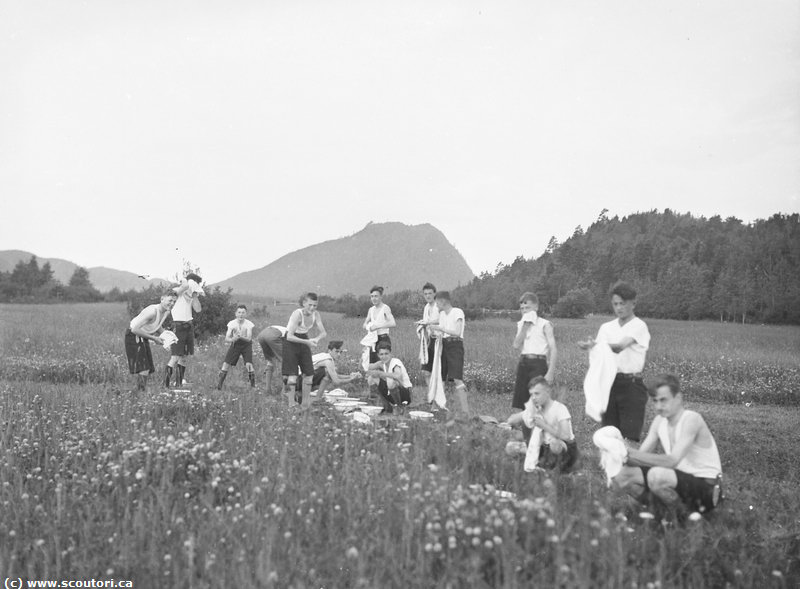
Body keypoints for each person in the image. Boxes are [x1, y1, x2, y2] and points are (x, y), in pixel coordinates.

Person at [611, 374, 723, 514]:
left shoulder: (691, 419)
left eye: (663, 400)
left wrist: (629, 454)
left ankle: (685, 519)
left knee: (657, 475)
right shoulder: (659, 421)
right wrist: (618, 450)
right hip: (679, 481)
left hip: (707, 488)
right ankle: (661, 516)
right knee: (623, 475)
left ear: (678, 398)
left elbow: (672, 461)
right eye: (655, 401)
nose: (659, 406)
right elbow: (640, 457)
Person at [578, 282, 650, 441]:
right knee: (609, 433)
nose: (619, 308)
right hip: (609, 383)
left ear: (633, 304)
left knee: (629, 436)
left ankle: (629, 457)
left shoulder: (639, 326)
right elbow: (599, 355)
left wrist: (596, 345)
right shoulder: (606, 328)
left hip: (631, 385)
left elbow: (620, 347)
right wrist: (593, 347)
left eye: (622, 304)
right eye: (615, 304)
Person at [504, 376, 578, 472]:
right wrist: (524, 414)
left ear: (547, 392)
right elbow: (512, 419)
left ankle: (558, 466)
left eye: (537, 393)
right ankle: (540, 460)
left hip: (564, 448)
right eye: (531, 394)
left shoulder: (560, 409)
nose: (534, 397)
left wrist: (544, 426)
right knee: (510, 447)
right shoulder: (535, 409)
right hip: (544, 447)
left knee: (554, 443)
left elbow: (566, 436)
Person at [512, 292, 557, 444]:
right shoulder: (521, 324)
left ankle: (543, 440)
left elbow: (553, 348)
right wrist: (525, 326)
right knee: (524, 404)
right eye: (522, 308)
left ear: (536, 307)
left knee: (537, 403)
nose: (525, 310)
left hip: (539, 363)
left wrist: (550, 371)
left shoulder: (545, 324)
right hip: (524, 363)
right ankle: (527, 441)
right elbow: (516, 344)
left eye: (528, 307)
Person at [428, 291, 471, 417]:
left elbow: (457, 332)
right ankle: (437, 407)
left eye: (437, 303)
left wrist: (440, 329)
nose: (436, 305)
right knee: (440, 375)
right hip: (444, 345)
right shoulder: (442, 315)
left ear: (443, 301)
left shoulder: (457, 312)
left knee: (457, 378)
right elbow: (442, 331)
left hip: (455, 345)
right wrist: (433, 331)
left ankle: (465, 411)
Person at [125, 292, 178, 391]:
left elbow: (157, 326)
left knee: (148, 368)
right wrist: (154, 339)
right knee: (144, 368)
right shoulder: (152, 311)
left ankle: (140, 391)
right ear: (162, 299)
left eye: (174, 301)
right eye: (170, 300)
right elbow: (135, 329)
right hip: (133, 336)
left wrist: (168, 338)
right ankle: (140, 393)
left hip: (142, 336)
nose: (172, 304)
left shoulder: (166, 312)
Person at [282, 292, 327, 408]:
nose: (312, 308)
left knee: (309, 374)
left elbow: (323, 333)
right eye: (310, 305)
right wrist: (307, 342)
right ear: (304, 303)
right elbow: (289, 336)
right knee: (292, 375)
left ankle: (305, 404)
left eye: (315, 305)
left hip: (304, 339)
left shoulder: (316, 314)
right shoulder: (297, 314)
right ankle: (291, 404)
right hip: (291, 342)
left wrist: (316, 339)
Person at [164, 273, 203, 388]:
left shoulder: (191, 295)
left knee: (184, 357)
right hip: (178, 325)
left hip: (188, 325)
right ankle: (166, 384)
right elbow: (184, 287)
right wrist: (185, 281)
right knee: (175, 356)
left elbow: (198, 309)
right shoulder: (177, 290)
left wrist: (194, 295)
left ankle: (179, 383)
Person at [366, 340, 413, 414]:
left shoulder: (395, 362)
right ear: (378, 355)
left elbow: (397, 375)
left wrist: (380, 373)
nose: (384, 357)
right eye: (381, 354)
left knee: (390, 382)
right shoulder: (381, 363)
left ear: (390, 354)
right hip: (392, 392)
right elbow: (364, 367)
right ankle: (386, 407)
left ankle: (399, 407)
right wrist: (364, 353)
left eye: (386, 354)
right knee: (372, 378)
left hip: (405, 393)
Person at [216, 305, 256, 390]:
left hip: (246, 345)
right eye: (239, 312)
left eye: (243, 313)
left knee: (249, 364)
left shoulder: (249, 324)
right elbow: (227, 338)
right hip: (235, 344)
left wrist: (240, 337)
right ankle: (219, 386)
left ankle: (253, 386)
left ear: (246, 314)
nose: (241, 315)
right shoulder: (232, 323)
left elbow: (249, 338)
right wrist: (233, 339)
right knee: (226, 363)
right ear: (236, 314)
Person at [415, 282, 440, 388]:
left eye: (430, 293)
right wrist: (421, 325)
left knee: (437, 371)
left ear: (434, 293)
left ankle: (438, 394)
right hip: (428, 340)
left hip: (440, 340)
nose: (428, 296)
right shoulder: (426, 307)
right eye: (425, 294)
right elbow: (426, 322)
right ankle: (431, 394)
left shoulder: (439, 305)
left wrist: (428, 322)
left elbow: (443, 320)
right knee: (425, 371)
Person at [363, 286, 396, 364]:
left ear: (381, 297)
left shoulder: (385, 308)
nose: (374, 299)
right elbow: (364, 324)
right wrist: (369, 327)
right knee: (371, 364)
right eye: (372, 296)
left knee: (382, 364)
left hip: (383, 339)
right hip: (373, 340)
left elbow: (393, 323)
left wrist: (377, 326)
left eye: (376, 296)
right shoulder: (371, 310)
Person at [257, 324, 288, 394]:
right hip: (273, 335)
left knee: (270, 361)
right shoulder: (294, 334)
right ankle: (284, 391)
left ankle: (268, 390)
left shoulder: (285, 329)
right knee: (286, 362)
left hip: (261, 335)